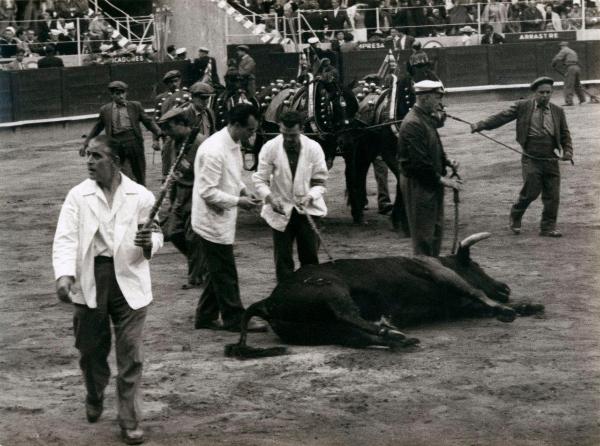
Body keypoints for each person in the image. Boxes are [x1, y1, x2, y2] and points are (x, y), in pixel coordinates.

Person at [53, 135, 163, 445]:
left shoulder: (140, 195)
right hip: (91, 277)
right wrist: (64, 275)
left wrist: (150, 243)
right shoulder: (78, 195)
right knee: (90, 350)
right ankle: (94, 390)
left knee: (131, 352)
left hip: (130, 277)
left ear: (114, 162)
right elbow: (66, 238)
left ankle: (129, 419)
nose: (89, 161)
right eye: (88, 155)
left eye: (96, 156)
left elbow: (155, 233)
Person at [191, 103, 267, 332]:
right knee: (226, 272)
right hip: (210, 219)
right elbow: (207, 192)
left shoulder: (232, 142)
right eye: (250, 130)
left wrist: (243, 190)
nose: (251, 136)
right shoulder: (213, 150)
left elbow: (232, 175)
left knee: (218, 270)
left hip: (221, 216)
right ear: (235, 124)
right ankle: (235, 318)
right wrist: (239, 202)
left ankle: (205, 316)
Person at [470, 77, 573, 237]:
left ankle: (547, 227)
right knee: (531, 191)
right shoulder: (522, 106)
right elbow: (501, 117)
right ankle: (516, 214)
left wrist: (568, 151)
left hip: (550, 157)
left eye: (548, 93)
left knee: (553, 195)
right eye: (541, 92)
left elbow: (565, 134)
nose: (545, 96)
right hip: (530, 156)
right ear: (534, 93)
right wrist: (481, 125)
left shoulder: (558, 111)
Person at [252, 111, 328, 283]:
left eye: (292, 135)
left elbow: (320, 182)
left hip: (308, 211)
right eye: (284, 134)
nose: (288, 139)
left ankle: (311, 297)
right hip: (280, 211)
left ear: (302, 130)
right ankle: (284, 297)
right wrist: (270, 197)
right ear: (280, 129)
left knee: (309, 259)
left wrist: (310, 196)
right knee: (283, 261)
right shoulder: (270, 147)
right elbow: (259, 180)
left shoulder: (314, 148)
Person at [398, 80, 461, 257]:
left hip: (429, 181)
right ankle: (426, 275)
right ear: (424, 98)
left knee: (435, 232)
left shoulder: (425, 117)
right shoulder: (413, 123)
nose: (440, 103)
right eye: (436, 98)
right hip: (419, 184)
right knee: (424, 236)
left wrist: (447, 161)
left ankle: (433, 270)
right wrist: (445, 181)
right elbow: (419, 164)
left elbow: (435, 146)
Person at [158, 106, 208, 289]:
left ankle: (195, 278)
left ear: (182, 124)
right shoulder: (171, 144)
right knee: (172, 233)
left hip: (197, 194)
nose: (166, 132)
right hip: (180, 195)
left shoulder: (202, 144)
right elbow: (169, 174)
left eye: (169, 127)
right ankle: (202, 264)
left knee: (193, 237)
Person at [81, 81, 163, 186]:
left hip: (134, 142)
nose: (121, 96)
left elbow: (148, 121)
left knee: (139, 172)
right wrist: (86, 143)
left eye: (123, 93)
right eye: (117, 93)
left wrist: (158, 132)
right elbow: (97, 128)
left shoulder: (135, 106)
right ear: (112, 95)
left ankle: (142, 193)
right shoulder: (105, 110)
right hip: (116, 144)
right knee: (122, 172)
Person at [153, 70, 189, 180]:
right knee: (168, 160)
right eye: (171, 82)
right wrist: (155, 139)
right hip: (168, 135)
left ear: (180, 81)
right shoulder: (161, 98)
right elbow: (157, 119)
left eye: (176, 81)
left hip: (184, 133)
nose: (174, 84)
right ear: (167, 84)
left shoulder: (186, 96)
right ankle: (167, 180)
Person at [552, 41, 586, 106]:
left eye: (561, 46)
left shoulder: (564, 50)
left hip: (571, 68)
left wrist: (553, 64)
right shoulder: (573, 51)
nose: (560, 47)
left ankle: (569, 102)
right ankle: (582, 99)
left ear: (562, 46)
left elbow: (557, 58)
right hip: (577, 68)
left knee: (568, 85)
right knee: (577, 85)